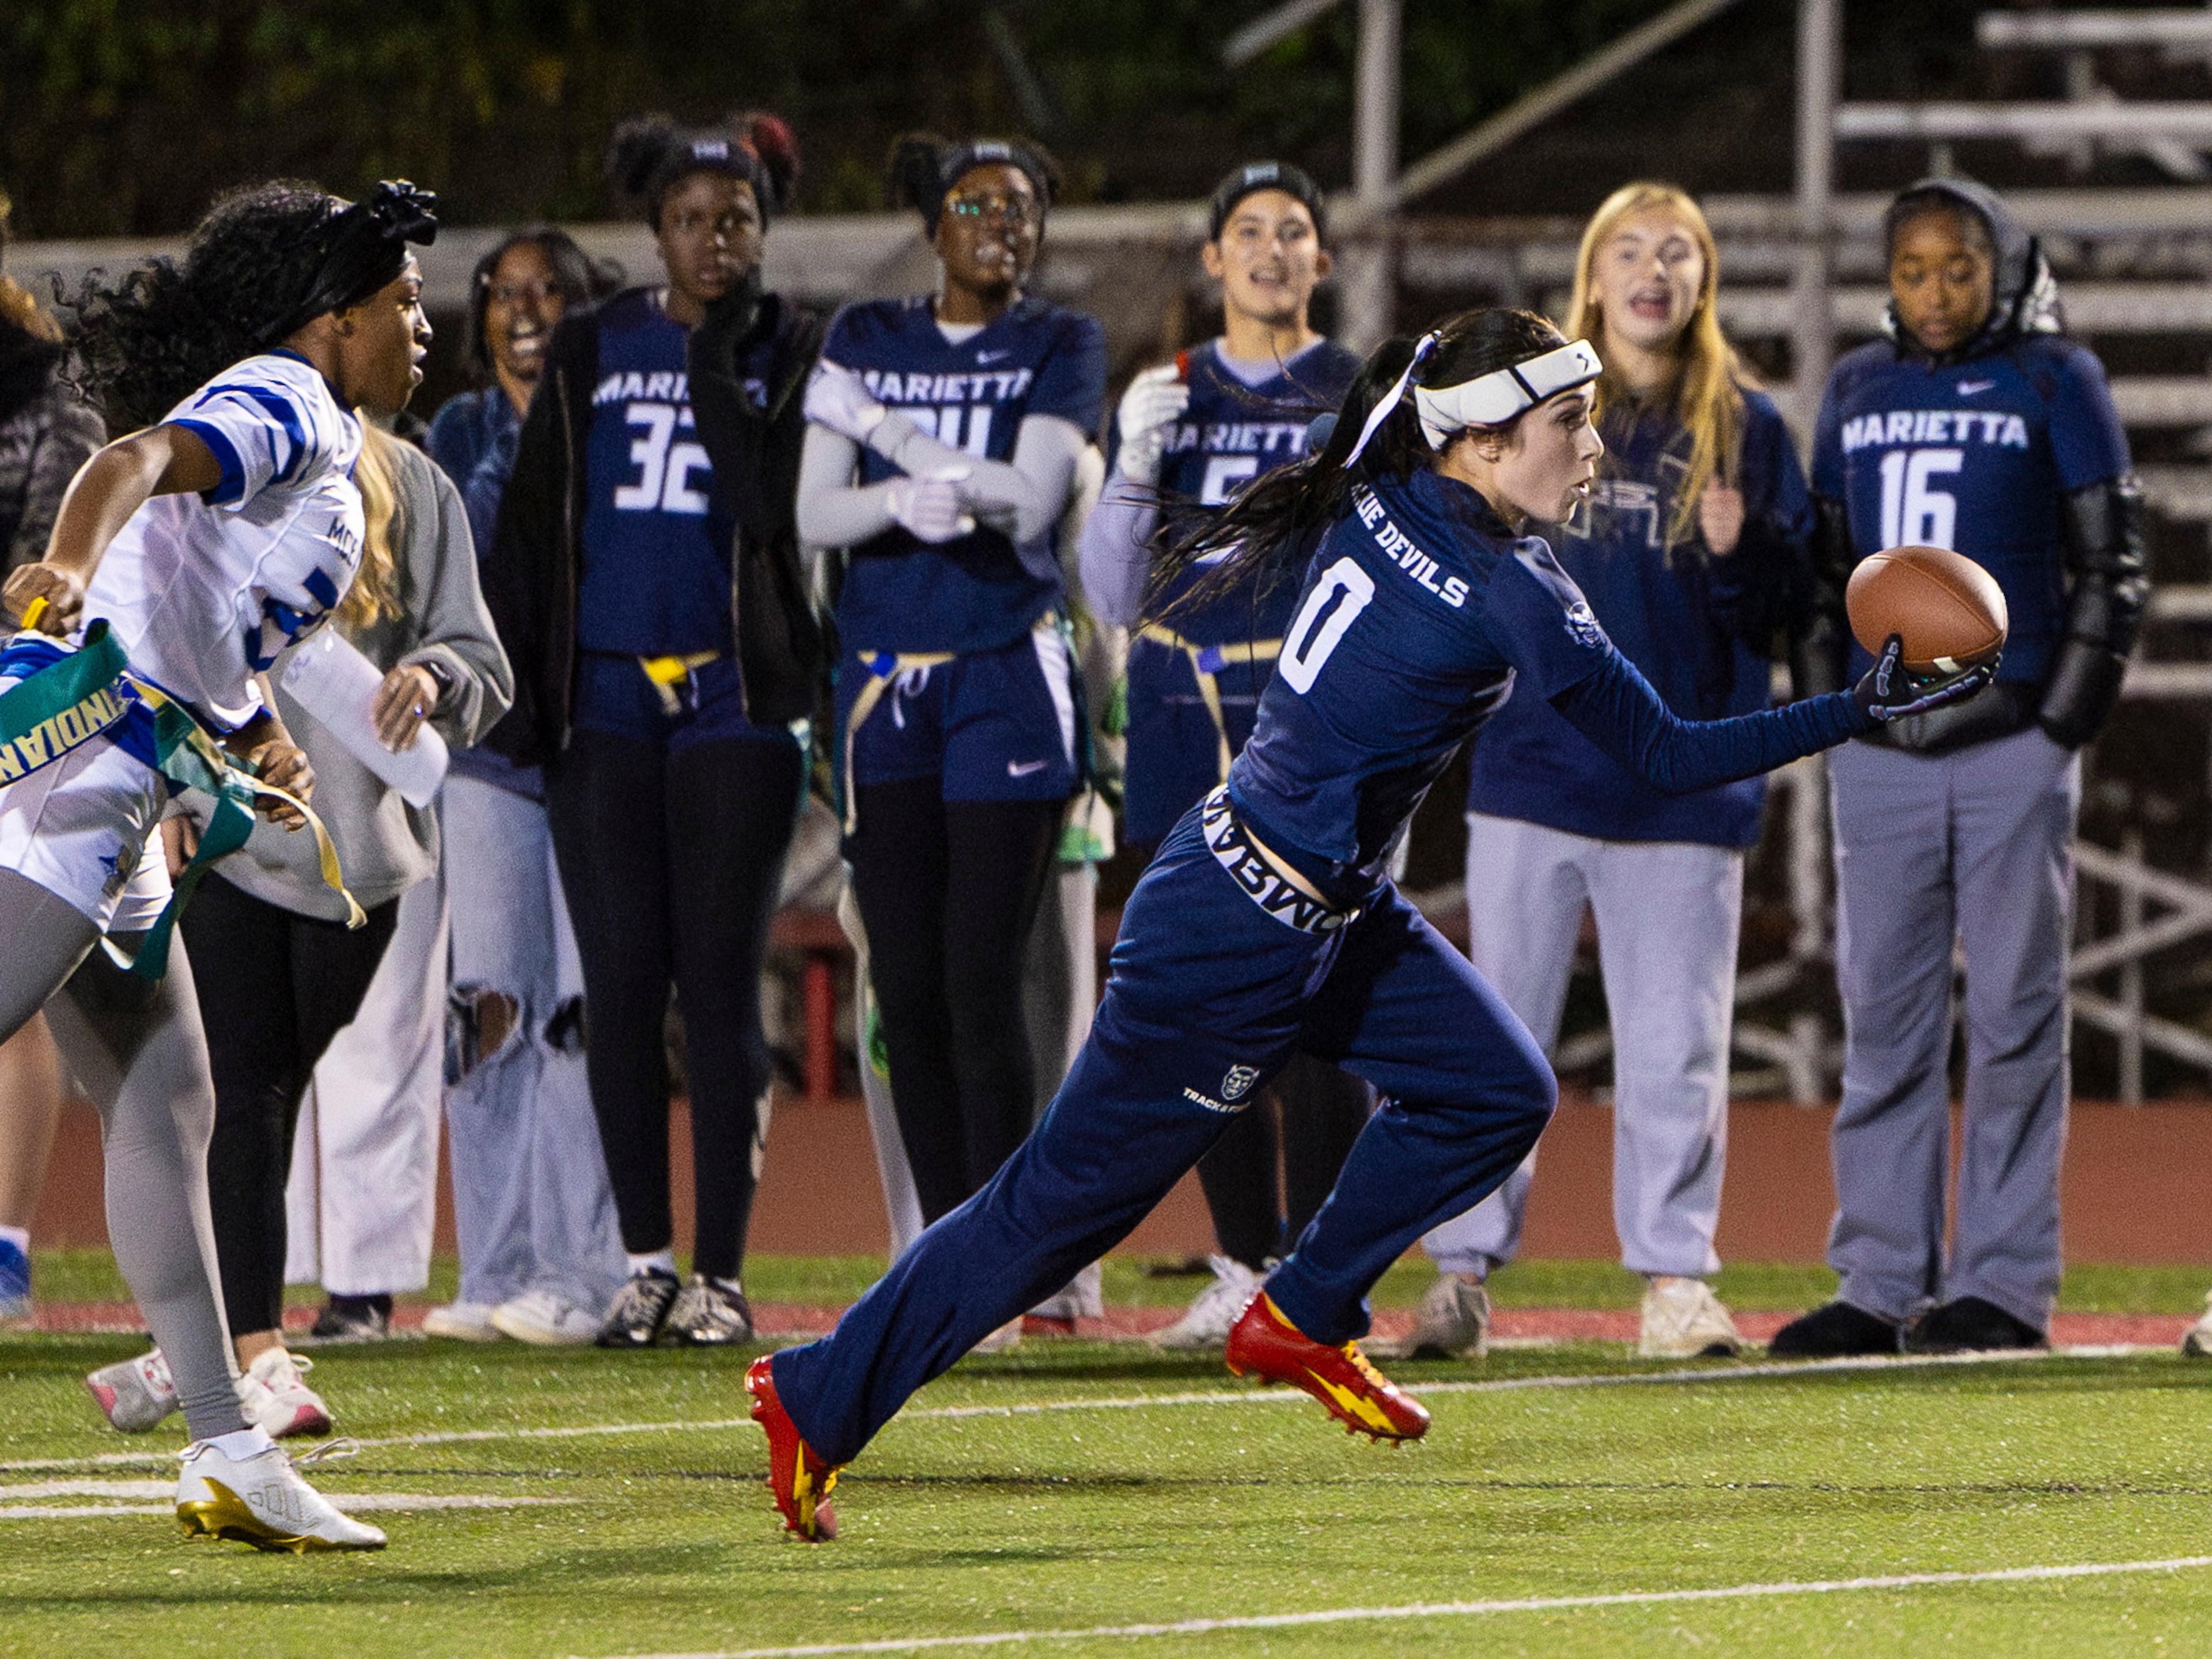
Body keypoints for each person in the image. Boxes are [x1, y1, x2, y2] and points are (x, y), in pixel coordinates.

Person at [745, 306, 1990, 1541]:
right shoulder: (1514, 588)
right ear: (1486, 445)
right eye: (1570, 422)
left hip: (1310, 899)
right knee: (1048, 1216)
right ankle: (816, 1392)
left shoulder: (1388, 482)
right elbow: (1667, 754)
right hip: (1237, 933)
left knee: (1498, 1088)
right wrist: (1858, 708)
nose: (1595, 449)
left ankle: (1304, 1306)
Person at [1, 177, 440, 1550]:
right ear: (338, 317)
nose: (424, 326)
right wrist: (66, 566)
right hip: (83, 748)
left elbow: (200, 589)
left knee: (170, 1093)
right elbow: (128, 464)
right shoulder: (296, 400)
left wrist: (251, 730)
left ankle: (224, 1446)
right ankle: (223, 1439)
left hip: (135, 761)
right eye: (404, 304)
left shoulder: (319, 430)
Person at [1404, 184, 1815, 1363]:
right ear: (1592, 277)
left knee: (1675, 1049)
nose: (1654, 269)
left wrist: (1748, 557)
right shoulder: (1526, 414)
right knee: (1498, 1039)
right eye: (1630, 249)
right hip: (1535, 771)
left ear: (1704, 280)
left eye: (1679, 251)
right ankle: (1463, 1271)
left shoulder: (1749, 423)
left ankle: (1676, 1282)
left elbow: (1791, 620)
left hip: (1684, 790)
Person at [1770, 177, 2141, 1359]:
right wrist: (1837, 711)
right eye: (1914, 267)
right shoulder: (1856, 385)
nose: (1936, 290)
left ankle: (2003, 1285)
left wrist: (2060, 727)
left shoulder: (2057, 379)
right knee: (1882, 1019)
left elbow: (2114, 566)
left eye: (1960, 266)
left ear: (2006, 266)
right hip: (1882, 751)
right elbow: (1828, 570)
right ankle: (1878, 1280)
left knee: (2020, 1015)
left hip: (2011, 744)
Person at [87, 417, 509, 1430]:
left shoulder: (417, 486)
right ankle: (258, 1355)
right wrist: (177, 798)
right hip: (229, 832)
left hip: (360, 855)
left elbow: (480, 663)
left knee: (272, 1084)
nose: (416, 335)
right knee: (244, 1087)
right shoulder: (224, 455)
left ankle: (187, 1345)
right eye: (395, 308)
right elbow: (158, 634)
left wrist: (433, 677)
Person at [484, 112, 824, 1348]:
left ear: (764, 228)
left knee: (720, 985)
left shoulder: (794, 346)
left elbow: (789, 515)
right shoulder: (589, 345)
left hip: (735, 697)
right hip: (607, 699)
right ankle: (644, 1262)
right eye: (690, 218)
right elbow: (532, 528)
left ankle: (722, 1277)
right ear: (657, 230)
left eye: (735, 218)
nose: (713, 238)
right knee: (620, 988)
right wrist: (527, 695)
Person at [1078, 160, 1369, 1350]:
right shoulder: (1167, 389)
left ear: (1323, 258)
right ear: (1212, 259)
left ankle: (1326, 1273)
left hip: (1306, 714)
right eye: (1246, 230)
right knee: (1207, 1003)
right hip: (1179, 710)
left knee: (1318, 1003)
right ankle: (1243, 1263)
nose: (1269, 250)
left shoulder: (1357, 389)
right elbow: (1106, 588)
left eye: (1293, 231)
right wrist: (1136, 465)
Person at [797, 131, 1105, 1251]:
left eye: (1023, 207)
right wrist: (893, 505)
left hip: (1004, 673)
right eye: (977, 204)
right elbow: (814, 514)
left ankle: (1006, 1247)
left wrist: (889, 440)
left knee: (984, 978)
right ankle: (945, 1245)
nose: (1003, 224)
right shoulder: (868, 330)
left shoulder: (1061, 338)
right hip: (885, 684)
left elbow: (1028, 503)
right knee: (908, 989)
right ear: (933, 226)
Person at [420, 227, 626, 1346]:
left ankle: (582, 1271)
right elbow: (478, 554)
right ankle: (491, 1268)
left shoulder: (619, 421)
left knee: (579, 1014)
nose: (528, 308)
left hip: (595, 742)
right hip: (493, 751)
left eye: (552, 290)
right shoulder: (458, 430)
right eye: (507, 291)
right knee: (487, 1009)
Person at [0, 185, 104, 1321]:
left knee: (14, 994)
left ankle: (7, 1251)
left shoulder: (41, 382)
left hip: (17, 701)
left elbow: (58, 564)